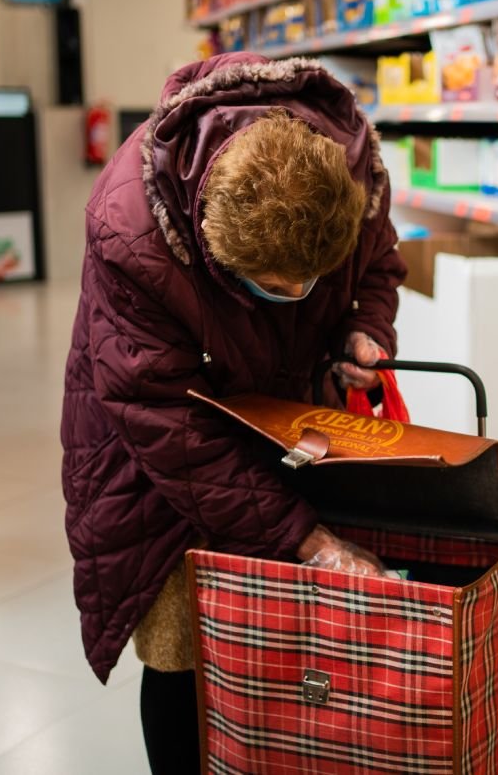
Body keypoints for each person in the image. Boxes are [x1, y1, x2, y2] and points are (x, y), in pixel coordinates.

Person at [61, 52, 405, 775]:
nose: (300, 291)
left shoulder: (353, 176)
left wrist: (363, 328)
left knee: (292, 639)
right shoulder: (134, 228)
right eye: (274, 285)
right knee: (182, 641)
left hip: (291, 423)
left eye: (310, 280)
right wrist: (302, 535)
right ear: (213, 247)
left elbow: (376, 265)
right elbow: (160, 417)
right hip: (163, 455)